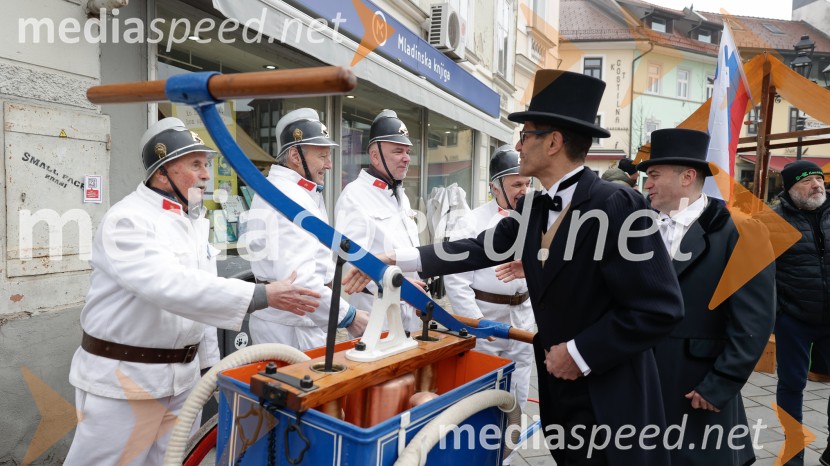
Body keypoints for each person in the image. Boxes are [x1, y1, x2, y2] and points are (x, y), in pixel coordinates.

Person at [347, 70, 684, 465]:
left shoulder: (618, 205)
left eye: (526, 135)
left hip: (614, 401)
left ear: (554, 142)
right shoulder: (533, 209)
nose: (518, 145)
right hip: (564, 400)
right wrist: (393, 259)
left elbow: (660, 307)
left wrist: (579, 353)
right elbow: (474, 248)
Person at [64, 117, 321, 466]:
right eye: (196, 164)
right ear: (162, 171)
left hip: (181, 381)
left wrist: (208, 368)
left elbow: (199, 303)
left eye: (207, 164)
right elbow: (171, 286)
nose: (206, 174)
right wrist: (261, 296)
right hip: (126, 379)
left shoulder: (193, 222)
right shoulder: (127, 220)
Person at [639, 128, 775, 466]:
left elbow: (754, 320)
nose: (647, 184)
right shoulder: (637, 226)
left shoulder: (740, 229)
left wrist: (720, 384)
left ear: (687, 177)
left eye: (654, 174)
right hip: (641, 380)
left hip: (698, 385)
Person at [242, 108, 368, 351]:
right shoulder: (288, 197)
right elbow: (301, 280)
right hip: (291, 329)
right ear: (295, 157)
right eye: (322, 156)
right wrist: (349, 317)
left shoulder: (295, 192)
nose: (330, 165)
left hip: (298, 322)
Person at [442, 145, 535, 409]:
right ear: (495, 188)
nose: (524, 190)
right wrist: (477, 321)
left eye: (527, 183)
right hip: (487, 320)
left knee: (518, 389)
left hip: (523, 319)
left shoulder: (535, 219)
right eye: (517, 184)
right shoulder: (470, 222)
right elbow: (455, 279)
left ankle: (511, 446)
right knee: (482, 391)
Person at [334, 110, 422, 333]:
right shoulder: (354, 196)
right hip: (377, 312)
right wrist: (400, 286)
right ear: (375, 156)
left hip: (410, 309)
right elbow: (353, 261)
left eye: (408, 151)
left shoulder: (400, 194)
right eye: (398, 151)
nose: (407, 157)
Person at [767, 160, 830, 466]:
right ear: (790, 189)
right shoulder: (772, 220)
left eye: (818, 179)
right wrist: (779, 311)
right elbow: (761, 273)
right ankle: (794, 448)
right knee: (792, 384)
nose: (816, 185)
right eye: (807, 181)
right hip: (794, 319)